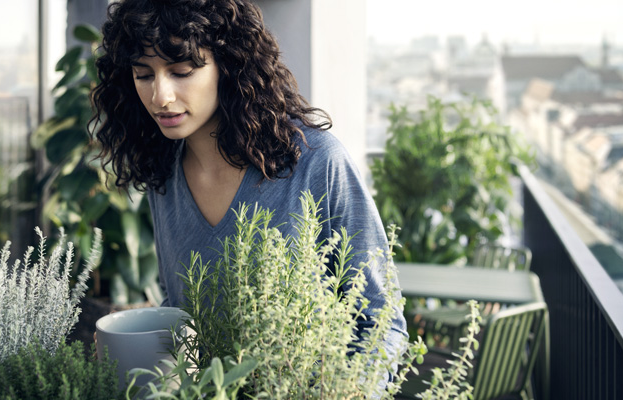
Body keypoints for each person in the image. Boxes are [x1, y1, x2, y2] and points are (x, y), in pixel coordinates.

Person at [90, 0, 407, 383]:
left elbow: (381, 322)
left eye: (182, 71)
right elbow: (183, 312)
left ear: (228, 65)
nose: (161, 96)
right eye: (143, 75)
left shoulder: (315, 162)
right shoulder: (164, 171)